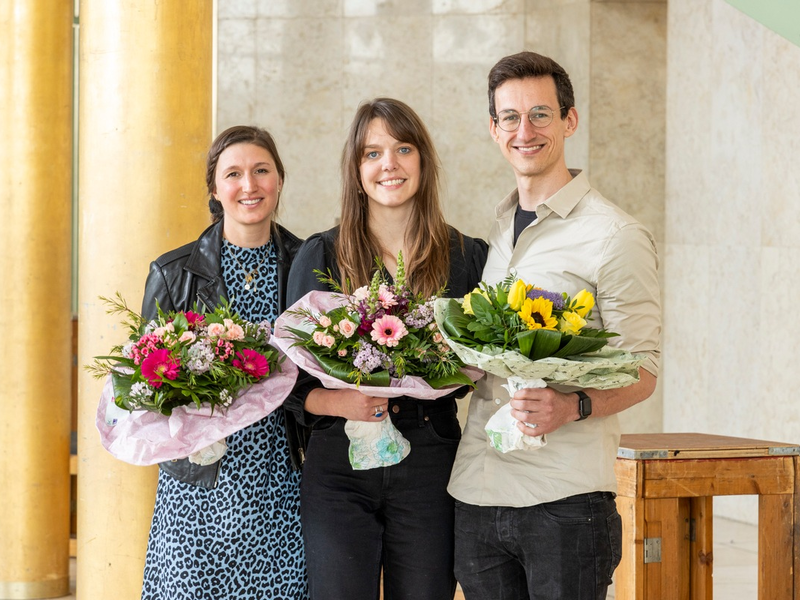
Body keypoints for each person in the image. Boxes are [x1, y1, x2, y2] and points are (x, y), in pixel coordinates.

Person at [448, 52, 661, 599]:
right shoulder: (494, 233)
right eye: (510, 118)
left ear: (570, 120)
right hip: (478, 492)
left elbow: (644, 370)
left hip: (564, 504)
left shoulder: (616, 235)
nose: (526, 131)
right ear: (494, 130)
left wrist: (573, 406)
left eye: (540, 114)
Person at [285, 98, 488, 600]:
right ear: (356, 172)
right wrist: (343, 402)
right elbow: (289, 383)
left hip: (430, 459)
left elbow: (484, 362)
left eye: (402, 149)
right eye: (372, 153)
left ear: (423, 162)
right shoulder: (321, 254)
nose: (389, 165)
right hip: (339, 463)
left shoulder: (466, 257)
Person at [139, 125, 308, 600]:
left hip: (283, 475)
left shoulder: (310, 262)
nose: (249, 185)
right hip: (198, 483)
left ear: (279, 179)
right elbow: (145, 386)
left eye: (261, 171)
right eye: (233, 174)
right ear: (215, 188)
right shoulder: (172, 273)